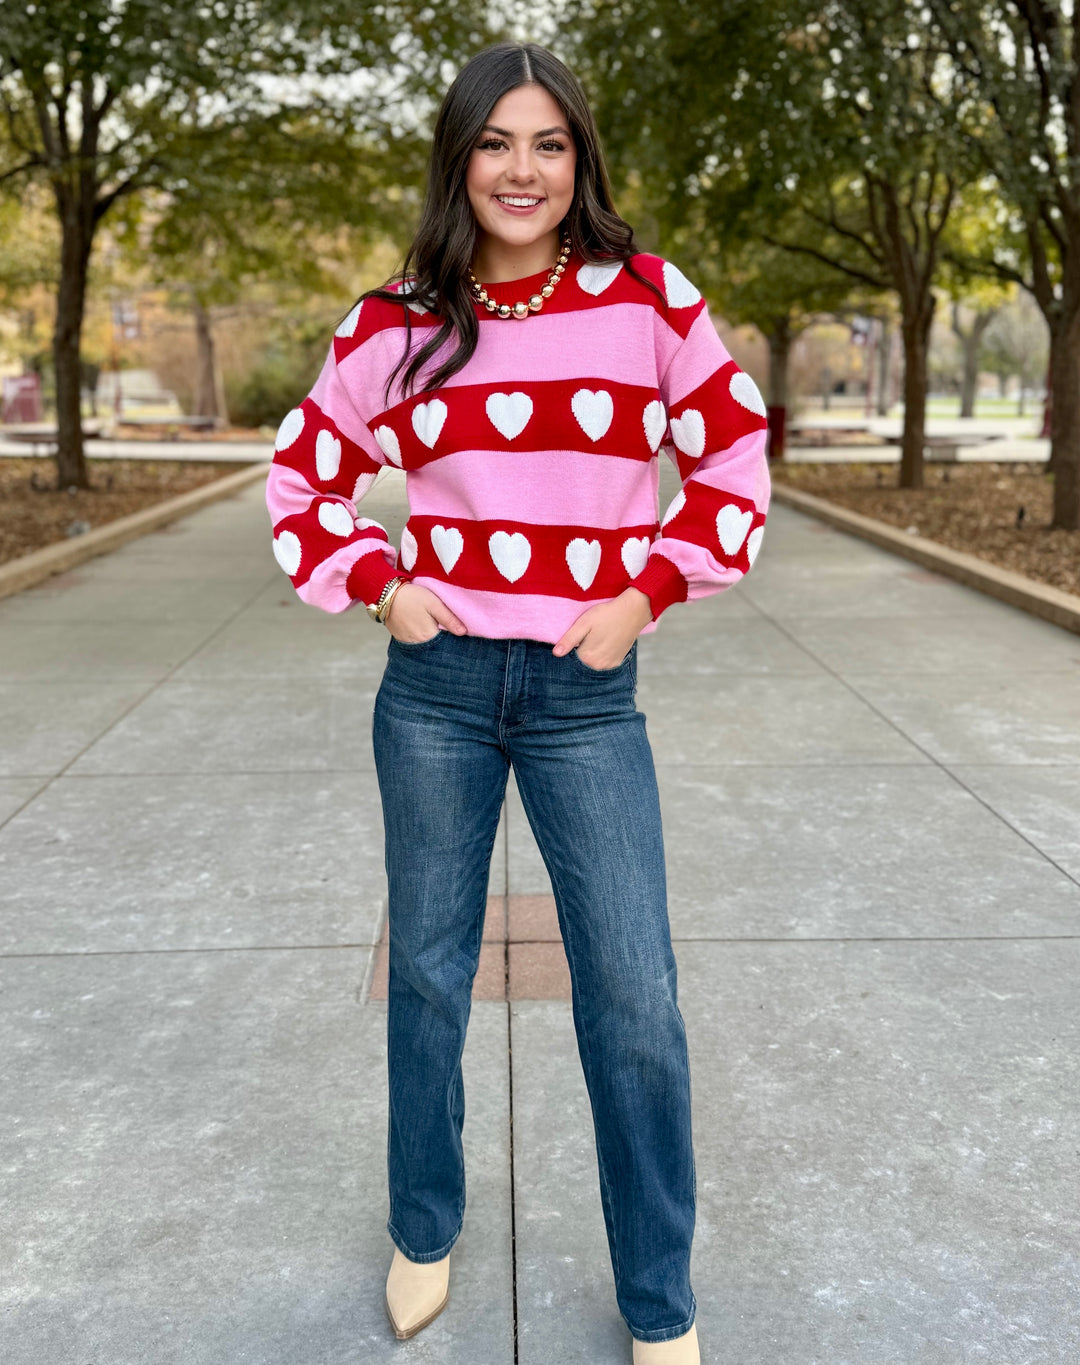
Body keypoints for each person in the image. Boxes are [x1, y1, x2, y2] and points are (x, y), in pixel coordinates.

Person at [266, 39, 770, 1365]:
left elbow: (733, 456)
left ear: (580, 160)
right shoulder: (401, 318)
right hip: (433, 689)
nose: (523, 169)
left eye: (549, 143)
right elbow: (301, 474)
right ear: (460, 158)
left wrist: (645, 591)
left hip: (586, 695)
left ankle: (658, 1293)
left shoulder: (647, 300)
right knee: (430, 979)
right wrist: (382, 585)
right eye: (497, 142)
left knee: (636, 997)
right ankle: (423, 1223)